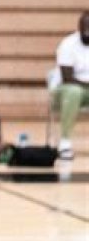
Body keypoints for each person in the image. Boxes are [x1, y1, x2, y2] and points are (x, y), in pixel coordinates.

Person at [52, 11, 89, 160]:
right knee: (74, 91)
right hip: (64, 91)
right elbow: (67, 78)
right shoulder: (68, 44)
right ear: (79, 27)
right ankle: (65, 143)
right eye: (85, 26)